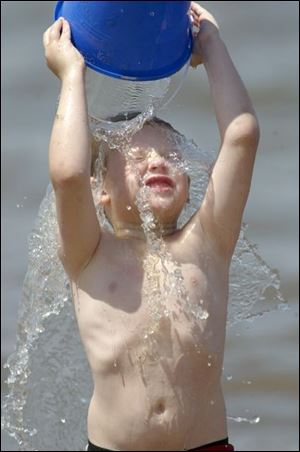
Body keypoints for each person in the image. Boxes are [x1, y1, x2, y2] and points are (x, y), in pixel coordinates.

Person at [43, 2, 259, 451]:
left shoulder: (207, 243)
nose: (157, 161)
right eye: (137, 159)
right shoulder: (88, 254)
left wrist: (212, 46)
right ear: (100, 189)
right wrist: (72, 76)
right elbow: (67, 174)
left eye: (169, 155)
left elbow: (241, 136)